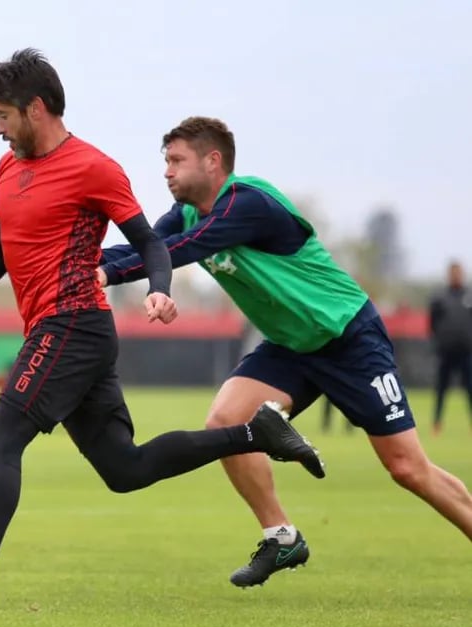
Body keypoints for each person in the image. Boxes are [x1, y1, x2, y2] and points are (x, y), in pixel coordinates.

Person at [0, 50, 325, 609]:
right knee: (126, 469)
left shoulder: (94, 168)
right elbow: (1, 249)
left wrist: (160, 288)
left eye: (4, 114)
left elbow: (150, 241)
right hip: (64, 331)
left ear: (37, 109)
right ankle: (256, 434)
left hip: (73, 323)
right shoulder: (8, 169)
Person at [99, 116, 472, 588]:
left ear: (213, 161)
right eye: (165, 162)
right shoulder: (188, 212)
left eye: (176, 161)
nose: (167, 172)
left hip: (348, 337)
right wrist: (78, 263)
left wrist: (108, 276)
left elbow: (184, 249)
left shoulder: (247, 203)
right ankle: (282, 537)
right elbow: (150, 247)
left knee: (407, 469)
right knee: (226, 422)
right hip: (292, 347)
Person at [428, 260, 472, 435]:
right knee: (441, 389)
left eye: (459, 272)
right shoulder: (440, 297)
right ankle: (437, 424)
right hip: (446, 352)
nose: (456, 276)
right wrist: (440, 341)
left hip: (467, 351)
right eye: (453, 272)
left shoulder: (469, 296)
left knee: (470, 389)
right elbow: (432, 323)